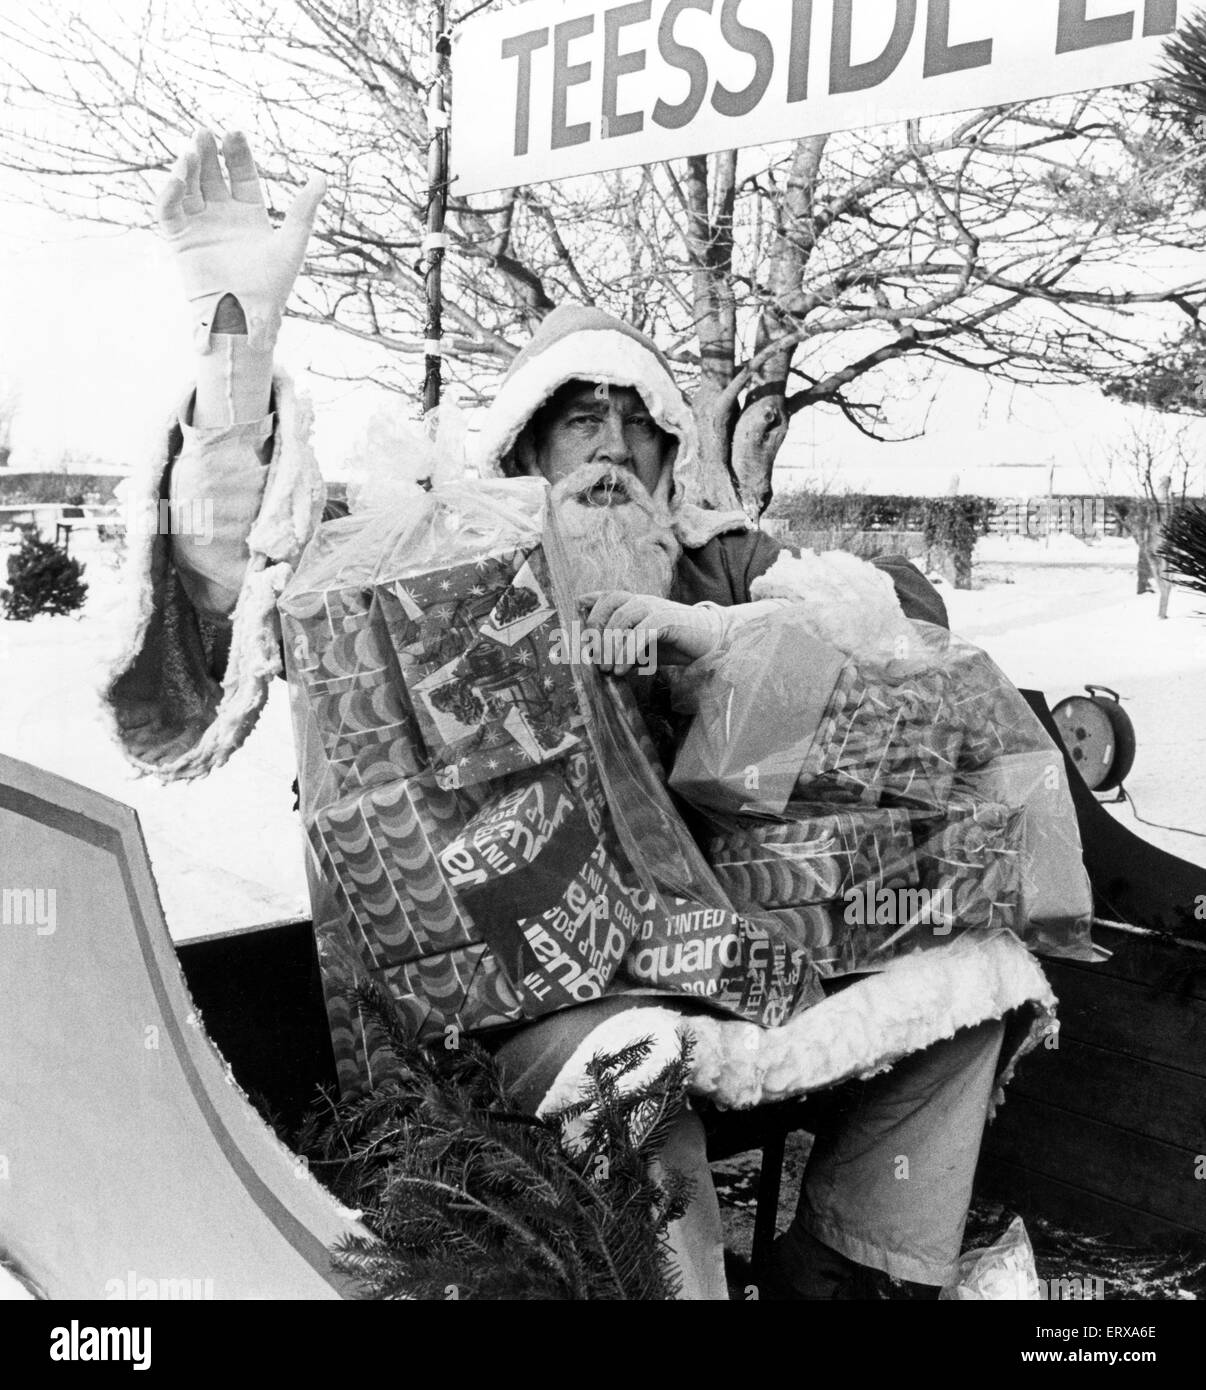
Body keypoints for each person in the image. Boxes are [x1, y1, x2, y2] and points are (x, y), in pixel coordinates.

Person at [105, 129, 1059, 1300]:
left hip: (723, 951)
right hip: (492, 1002)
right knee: (636, 1076)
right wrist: (232, 362)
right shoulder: (435, 556)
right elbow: (237, 589)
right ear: (523, 447)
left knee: (982, 979)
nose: (609, 446)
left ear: (669, 461)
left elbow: (904, 633)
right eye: (577, 421)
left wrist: (710, 633)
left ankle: (846, 1272)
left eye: (634, 425)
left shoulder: (715, 565)